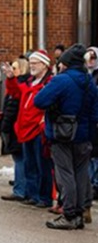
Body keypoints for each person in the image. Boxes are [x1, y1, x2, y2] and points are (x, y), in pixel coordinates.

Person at [34, 44, 98, 230]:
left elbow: (40, 101)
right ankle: (79, 213)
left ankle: (69, 214)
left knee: (65, 175)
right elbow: (95, 113)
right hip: (85, 136)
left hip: (62, 134)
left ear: (67, 63)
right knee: (80, 174)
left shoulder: (61, 81)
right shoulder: (89, 82)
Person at [4, 49, 54, 209]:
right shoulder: (29, 83)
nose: (32, 66)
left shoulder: (49, 83)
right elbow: (16, 92)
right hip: (25, 129)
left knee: (42, 166)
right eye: (31, 63)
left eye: (35, 63)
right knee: (29, 165)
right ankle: (32, 195)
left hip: (38, 130)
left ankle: (44, 197)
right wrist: (11, 78)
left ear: (44, 65)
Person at [0, 58, 29, 201]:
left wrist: (11, 78)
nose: (12, 70)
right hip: (13, 127)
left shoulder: (23, 84)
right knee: (19, 159)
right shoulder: (15, 86)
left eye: (15, 68)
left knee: (20, 160)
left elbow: (16, 92)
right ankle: (21, 187)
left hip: (18, 127)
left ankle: (20, 190)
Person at [86, 46, 98, 203]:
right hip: (88, 120)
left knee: (95, 155)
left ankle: (95, 184)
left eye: (93, 58)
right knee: (89, 154)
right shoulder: (87, 75)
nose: (90, 61)